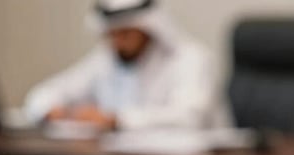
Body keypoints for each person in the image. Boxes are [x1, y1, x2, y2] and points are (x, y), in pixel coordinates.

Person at [23, 0, 217, 132]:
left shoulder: (191, 58)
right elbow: (47, 92)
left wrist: (116, 120)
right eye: (112, 34)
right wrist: (50, 110)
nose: (118, 42)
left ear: (147, 28)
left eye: (126, 33)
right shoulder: (106, 60)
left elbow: (190, 118)